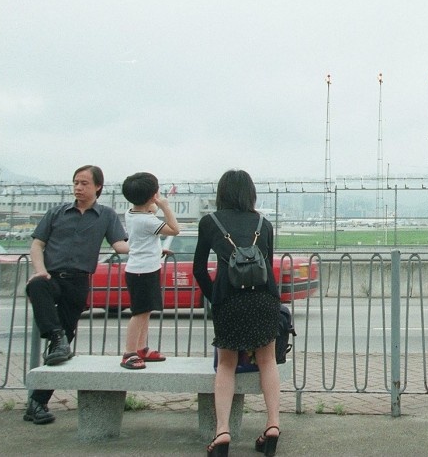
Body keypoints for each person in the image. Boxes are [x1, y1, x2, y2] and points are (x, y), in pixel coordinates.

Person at [24, 165, 129, 425]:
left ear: (98, 187)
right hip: (51, 276)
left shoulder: (106, 215)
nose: (78, 188)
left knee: (60, 350)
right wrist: (40, 270)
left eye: (84, 183)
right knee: (36, 286)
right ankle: (55, 334)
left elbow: (119, 245)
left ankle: (37, 403)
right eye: (75, 183)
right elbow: (37, 244)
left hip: (78, 281)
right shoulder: (56, 212)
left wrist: (151, 248)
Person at [194, 170, 281, 457]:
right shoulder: (263, 223)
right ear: (250, 193)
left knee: (226, 364)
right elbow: (267, 267)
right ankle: (272, 425)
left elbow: (198, 269)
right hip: (263, 300)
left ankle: (222, 431)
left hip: (229, 302)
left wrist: (216, 297)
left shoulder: (210, 222)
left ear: (222, 193)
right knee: (267, 361)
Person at [120, 172, 180, 369]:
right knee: (139, 313)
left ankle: (141, 348)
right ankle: (129, 353)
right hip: (143, 271)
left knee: (145, 311)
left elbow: (149, 212)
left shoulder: (131, 213)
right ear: (152, 195)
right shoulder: (147, 220)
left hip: (142, 268)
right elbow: (174, 229)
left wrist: (154, 201)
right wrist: (165, 206)